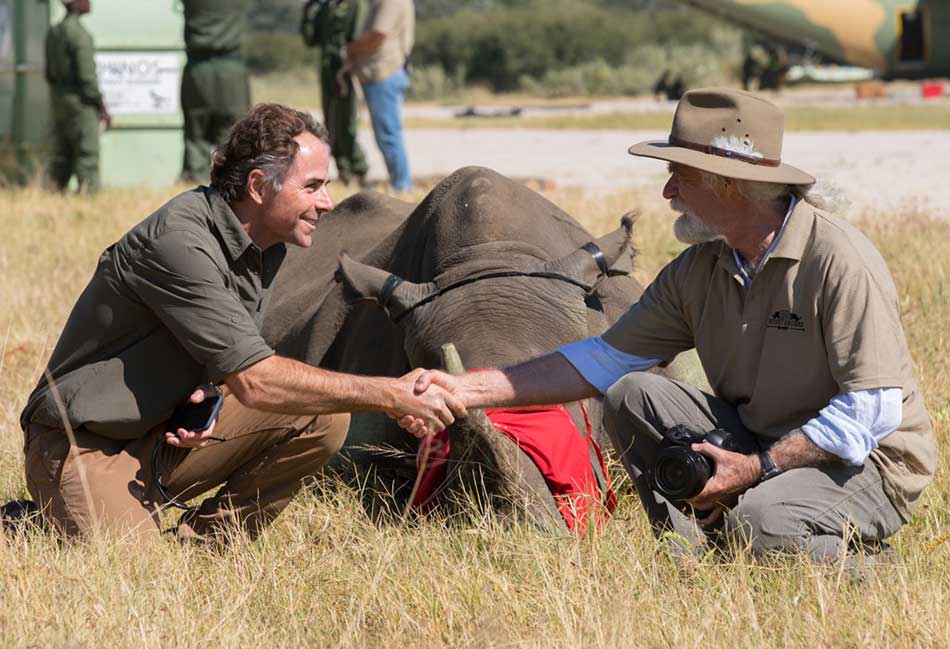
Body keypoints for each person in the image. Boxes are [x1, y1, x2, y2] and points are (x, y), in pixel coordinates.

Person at [403, 88, 935, 561]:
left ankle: (870, 563)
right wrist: (467, 389)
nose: (668, 193)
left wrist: (754, 470)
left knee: (759, 525)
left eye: (677, 175)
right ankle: (692, 556)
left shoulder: (839, 260)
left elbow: (871, 412)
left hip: (865, 462)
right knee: (631, 394)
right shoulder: (699, 268)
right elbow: (602, 361)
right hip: (762, 440)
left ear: (728, 184)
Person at [21, 103, 464, 544]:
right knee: (138, 577)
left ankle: (205, 545)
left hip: (159, 441)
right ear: (257, 186)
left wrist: (210, 396)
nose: (327, 203)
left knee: (321, 419)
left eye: (326, 187)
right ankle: (37, 518)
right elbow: (256, 381)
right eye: (312, 187)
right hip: (80, 447)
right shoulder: (179, 243)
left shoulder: (264, 245)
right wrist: (391, 394)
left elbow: (231, 366)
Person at [343, 0, 414, 193]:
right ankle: (400, 183)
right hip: (383, 73)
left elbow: (377, 36)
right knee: (389, 134)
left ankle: (401, 186)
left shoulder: (389, 2)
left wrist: (348, 50)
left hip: (383, 74)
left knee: (388, 135)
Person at [179, 0, 251, 184]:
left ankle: (193, 184)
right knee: (233, 136)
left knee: (196, 135)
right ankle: (231, 183)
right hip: (231, 69)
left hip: (198, 68)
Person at [301, 0, 371, 188]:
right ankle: (345, 173)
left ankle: (359, 169)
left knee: (347, 124)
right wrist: (308, 12)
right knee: (331, 124)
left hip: (347, 69)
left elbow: (358, 38)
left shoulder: (358, 5)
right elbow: (311, 39)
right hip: (328, 71)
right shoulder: (326, 7)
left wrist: (348, 65)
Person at [45, 0, 110, 193]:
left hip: (59, 100)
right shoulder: (80, 36)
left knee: (62, 153)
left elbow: (49, 74)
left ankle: (54, 193)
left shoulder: (53, 33)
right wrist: (101, 106)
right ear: (76, 4)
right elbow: (87, 78)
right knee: (87, 152)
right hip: (81, 103)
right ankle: (88, 196)